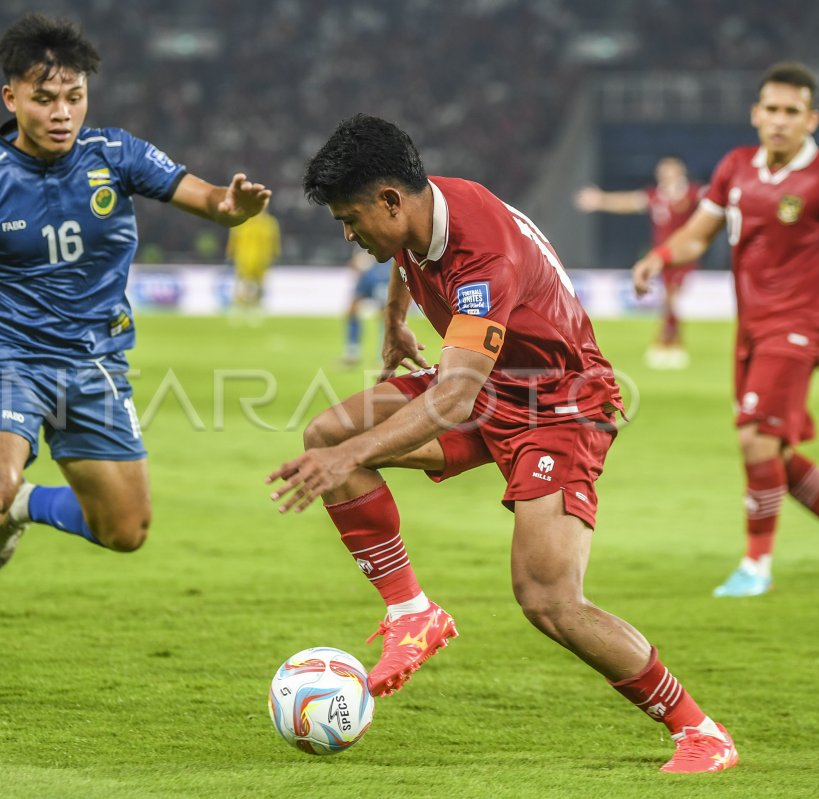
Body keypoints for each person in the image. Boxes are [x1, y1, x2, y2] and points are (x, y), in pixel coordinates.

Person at [268, 114, 738, 773]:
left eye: (351, 218)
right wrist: (396, 322)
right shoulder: (424, 207)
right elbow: (408, 255)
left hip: (561, 401)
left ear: (390, 200)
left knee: (548, 599)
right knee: (329, 432)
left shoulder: (482, 252)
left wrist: (354, 457)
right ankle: (413, 612)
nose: (349, 233)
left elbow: (453, 398)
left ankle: (701, 732)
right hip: (496, 380)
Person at [0, 14, 271, 712]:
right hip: (11, 357)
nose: (63, 111)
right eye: (46, 97)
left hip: (97, 364)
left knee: (126, 530)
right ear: (10, 97)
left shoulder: (118, 154)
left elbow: (210, 199)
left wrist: (235, 206)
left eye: (74, 95)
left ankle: (26, 505)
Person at [632, 62, 819, 598]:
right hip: (749, 331)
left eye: (792, 112)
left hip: (796, 328)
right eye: (771, 109)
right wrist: (660, 255)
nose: (780, 120)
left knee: (755, 439)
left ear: (812, 118)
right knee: (775, 452)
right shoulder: (736, 167)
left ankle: (756, 565)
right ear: (755, 113)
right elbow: (698, 235)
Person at [575, 156, 702, 369]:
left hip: (683, 254)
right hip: (660, 256)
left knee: (671, 298)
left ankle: (668, 343)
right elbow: (628, 202)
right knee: (668, 300)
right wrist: (600, 200)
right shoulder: (655, 196)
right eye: (663, 170)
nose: (666, 174)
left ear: (680, 172)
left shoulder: (691, 193)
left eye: (670, 170)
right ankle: (670, 344)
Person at [225, 207, 281, 326]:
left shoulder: (270, 223)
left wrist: (274, 255)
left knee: (259, 287)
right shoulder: (241, 221)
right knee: (241, 286)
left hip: (261, 260)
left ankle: (255, 311)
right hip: (243, 259)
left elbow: (274, 241)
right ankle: (238, 310)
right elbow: (234, 239)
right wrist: (230, 252)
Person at [341, 249, 392, 366]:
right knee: (385, 316)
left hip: (378, 273)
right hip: (376, 273)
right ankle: (354, 352)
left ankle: (356, 352)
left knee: (386, 316)